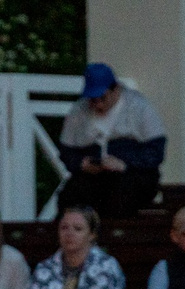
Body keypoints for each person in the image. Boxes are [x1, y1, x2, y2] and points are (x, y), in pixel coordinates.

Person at [56, 63, 167, 215]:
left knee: (121, 195)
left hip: (132, 176)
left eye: (102, 98)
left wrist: (125, 164)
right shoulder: (79, 111)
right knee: (69, 197)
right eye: (92, 100)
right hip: (93, 177)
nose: (97, 104)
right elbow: (66, 151)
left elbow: (156, 152)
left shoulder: (140, 107)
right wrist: (81, 163)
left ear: (115, 90)